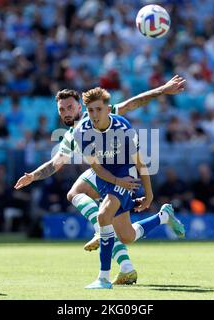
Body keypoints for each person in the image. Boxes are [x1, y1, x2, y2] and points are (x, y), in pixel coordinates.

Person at [14, 75, 186, 285]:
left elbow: (132, 103)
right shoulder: (72, 135)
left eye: (70, 107)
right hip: (102, 172)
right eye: (62, 109)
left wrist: (162, 90)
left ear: (80, 107)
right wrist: (32, 176)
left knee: (118, 230)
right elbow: (55, 163)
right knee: (116, 228)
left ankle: (104, 238)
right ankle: (161, 218)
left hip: (123, 172)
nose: (66, 112)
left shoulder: (100, 113)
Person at [73, 87, 185, 289]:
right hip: (107, 177)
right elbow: (97, 168)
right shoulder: (81, 132)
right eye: (90, 110)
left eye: (99, 109)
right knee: (126, 236)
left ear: (108, 110)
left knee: (103, 216)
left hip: (127, 173)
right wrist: (117, 183)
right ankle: (163, 217)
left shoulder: (123, 128)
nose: (94, 115)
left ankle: (103, 279)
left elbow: (141, 163)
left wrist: (149, 195)